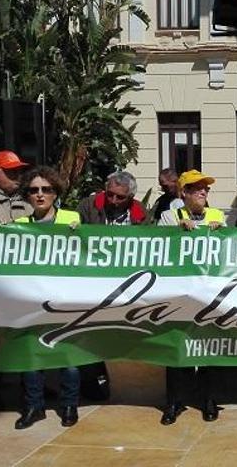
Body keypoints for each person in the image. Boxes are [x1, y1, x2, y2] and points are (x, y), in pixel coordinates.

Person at [13, 166, 82, 430]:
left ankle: (68, 405)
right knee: (31, 356)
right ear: (27, 195)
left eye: (46, 189)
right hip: (31, 302)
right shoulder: (19, 226)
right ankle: (34, 406)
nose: (40, 195)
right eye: (33, 190)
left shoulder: (72, 219)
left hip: (66, 301)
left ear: (56, 192)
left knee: (69, 356)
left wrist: (81, 234)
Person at [158, 170, 225, 425]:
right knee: (176, 347)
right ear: (183, 193)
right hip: (178, 294)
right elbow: (159, 249)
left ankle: (208, 399)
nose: (203, 192)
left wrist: (222, 233)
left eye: (205, 188)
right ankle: (174, 401)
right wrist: (176, 231)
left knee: (208, 347)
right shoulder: (169, 216)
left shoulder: (217, 216)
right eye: (196, 188)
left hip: (208, 295)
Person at [76, 171, 147, 400]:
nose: (114, 201)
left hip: (125, 284)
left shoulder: (140, 214)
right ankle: (92, 380)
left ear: (131, 198)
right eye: (110, 195)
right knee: (88, 332)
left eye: (120, 197)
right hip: (91, 282)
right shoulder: (88, 206)